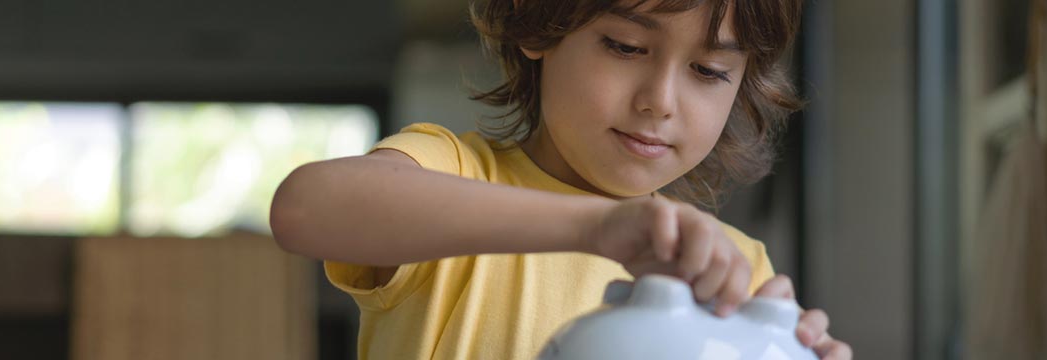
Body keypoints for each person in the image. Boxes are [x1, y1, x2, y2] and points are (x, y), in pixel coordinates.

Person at [272, 0, 850, 358]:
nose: (660, 101)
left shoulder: (737, 269)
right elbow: (302, 210)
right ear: (539, 21)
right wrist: (598, 226)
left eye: (708, 70)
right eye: (625, 46)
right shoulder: (453, 173)